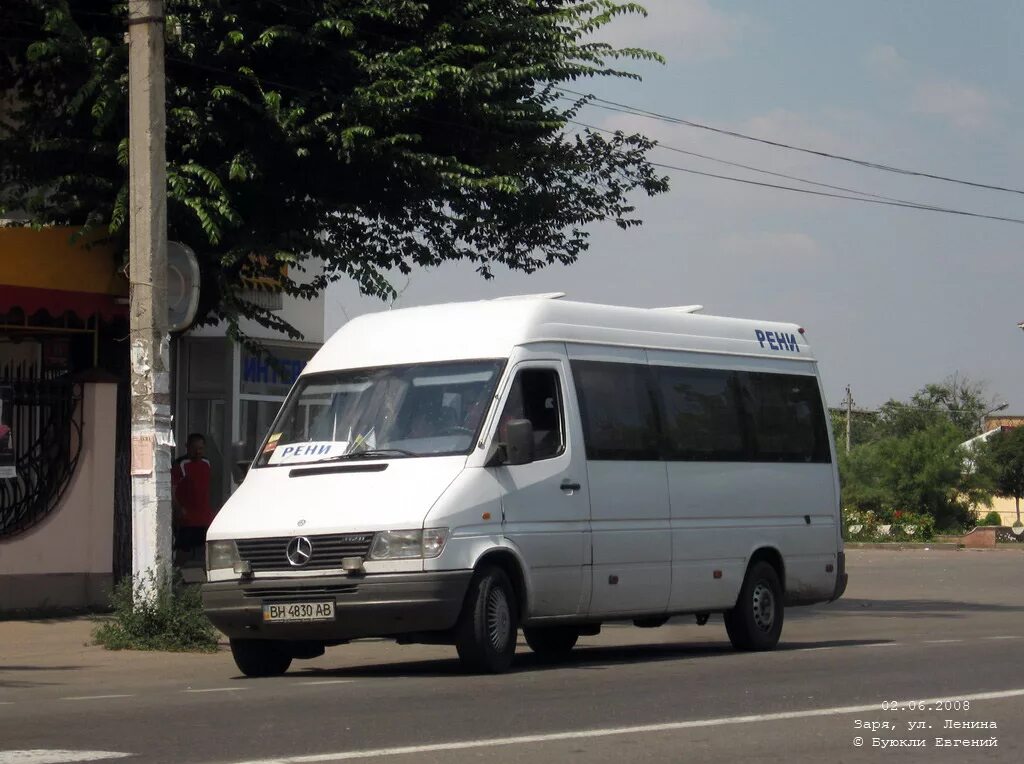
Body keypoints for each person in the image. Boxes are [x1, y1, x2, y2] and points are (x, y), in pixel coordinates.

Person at [172, 433, 214, 565]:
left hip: (204, 517)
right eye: (195, 448)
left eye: (201, 448)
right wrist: (178, 509)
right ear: (187, 447)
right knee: (183, 552)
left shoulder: (207, 463)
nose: (198, 452)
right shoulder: (181, 464)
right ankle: (177, 578)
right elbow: (171, 489)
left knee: (204, 553)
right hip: (187, 519)